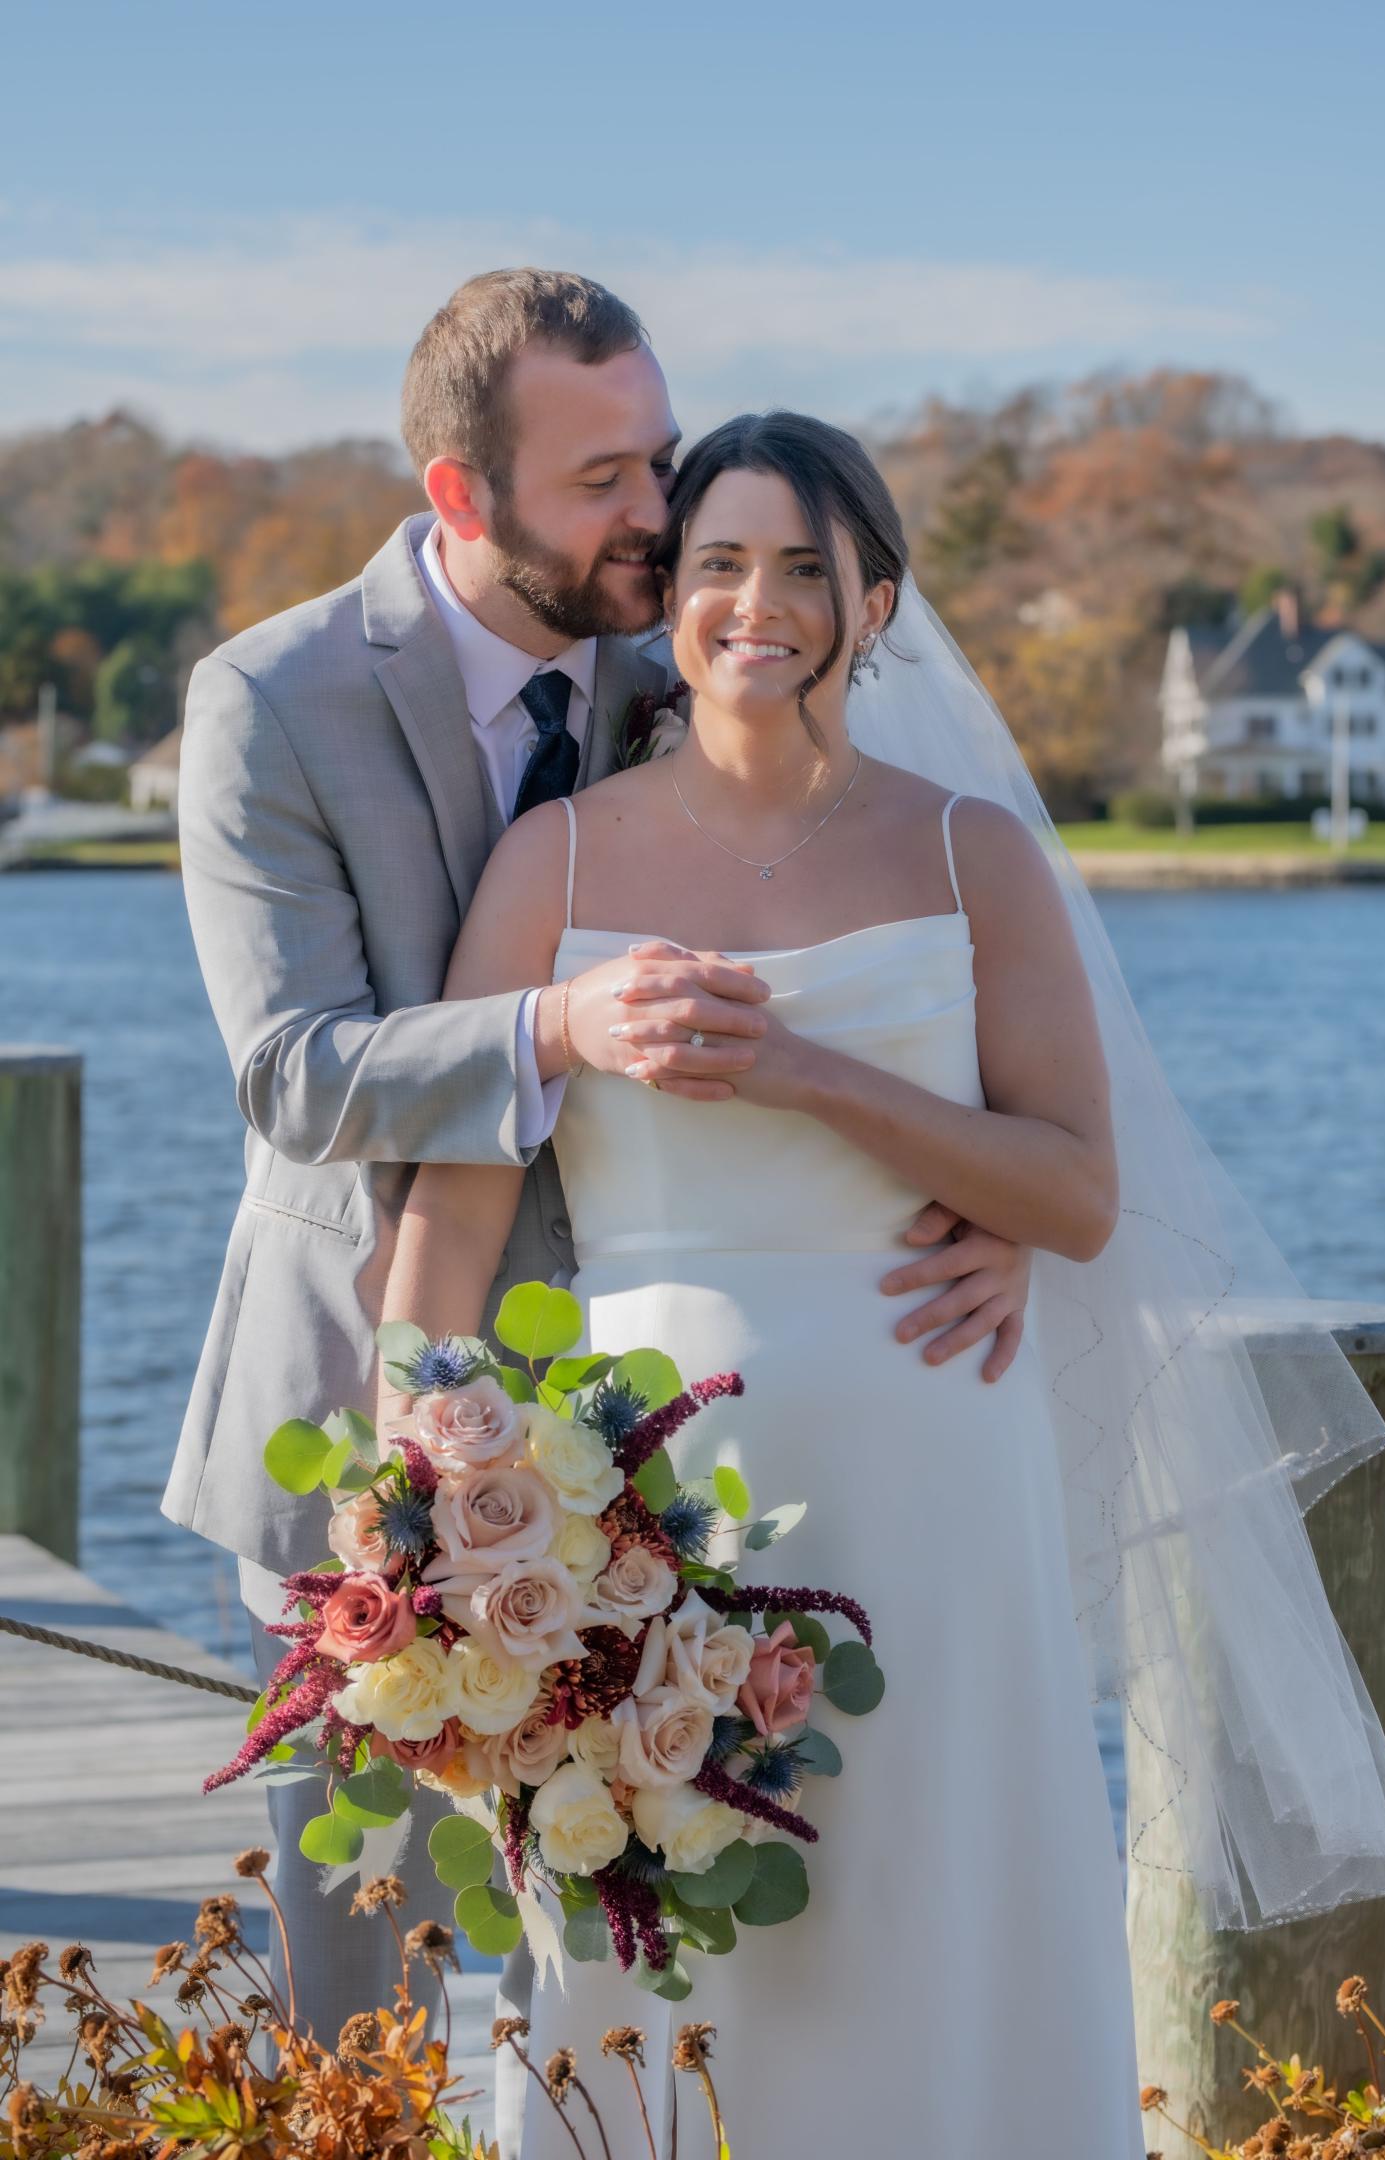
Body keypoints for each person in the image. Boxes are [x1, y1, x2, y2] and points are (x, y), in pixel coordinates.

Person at [162, 273, 1034, 2046]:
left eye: (659, 456)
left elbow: (870, 959)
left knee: (638, 1989)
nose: (660, 514)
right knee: (370, 2000)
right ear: (459, 494)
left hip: (681, 1455)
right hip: (382, 1418)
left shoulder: (698, 642)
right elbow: (295, 1074)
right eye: (603, 480)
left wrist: (987, 1204)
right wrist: (555, 1029)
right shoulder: (274, 697)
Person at [381, 409, 1147, 2156]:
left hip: (938, 1476)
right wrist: (412, 1504)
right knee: (658, 1924)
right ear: (670, 598)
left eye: (808, 567)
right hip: (643, 1505)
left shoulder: (974, 856)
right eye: (720, 561)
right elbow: (454, 1213)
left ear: (878, 598)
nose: (760, 603)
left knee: (932, 1907)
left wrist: (814, 1076)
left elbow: (1080, 1194)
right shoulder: (555, 860)